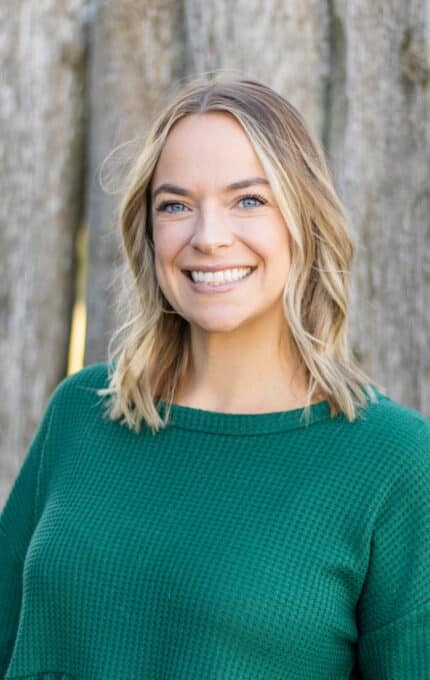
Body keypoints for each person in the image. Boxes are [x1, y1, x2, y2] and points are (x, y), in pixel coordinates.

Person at [1, 74, 429, 679]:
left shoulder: (391, 459)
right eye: (175, 205)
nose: (208, 238)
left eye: (248, 200)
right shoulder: (81, 414)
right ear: (148, 232)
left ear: (302, 220)